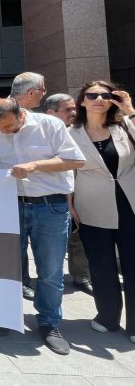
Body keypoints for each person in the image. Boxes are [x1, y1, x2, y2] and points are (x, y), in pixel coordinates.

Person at [0, 98, 85, 355]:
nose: (5, 132)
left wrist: (35, 165)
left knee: (49, 269)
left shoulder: (50, 126)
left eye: (10, 127)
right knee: (7, 265)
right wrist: (1, 173)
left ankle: (49, 323)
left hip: (50, 206)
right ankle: (6, 314)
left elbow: (75, 161)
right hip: (10, 205)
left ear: (21, 114)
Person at [0, 72, 48, 301]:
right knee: (12, 245)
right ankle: (18, 284)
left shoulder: (40, 120)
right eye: (42, 91)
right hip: (5, 194)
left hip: (39, 195)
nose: (43, 96)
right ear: (32, 92)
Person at [68, 81, 135, 344]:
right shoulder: (71, 132)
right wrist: (69, 203)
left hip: (130, 204)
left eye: (105, 95)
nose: (98, 99)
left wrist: (129, 111)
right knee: (101, 263)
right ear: (82, 101)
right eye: (91, 95)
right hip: (91, 205)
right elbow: (67, 171)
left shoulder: (125, 126)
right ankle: (107, 317)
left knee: (133, 265)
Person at [44, 94, 92, 295]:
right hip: (59, 195)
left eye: (74, 108)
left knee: (83, 235)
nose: (73, 113)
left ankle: (84, 274)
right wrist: (69, 202)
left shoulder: (82, 132)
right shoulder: (46, 135)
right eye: (67, 110)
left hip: (89, 190)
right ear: (51, 113)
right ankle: (74, 276)